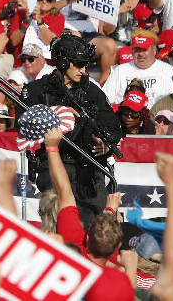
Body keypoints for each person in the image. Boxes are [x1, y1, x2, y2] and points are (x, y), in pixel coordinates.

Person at [19, 32, 123, 222]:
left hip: (88, 168)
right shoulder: (37, 89)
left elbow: (113, 126)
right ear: (63, 62)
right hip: (52, 166)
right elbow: (24, 122)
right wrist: (57, 112)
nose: (83, 69)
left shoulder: (92, 91)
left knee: (94, 225)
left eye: (86, 64)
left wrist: (105, 143)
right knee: (59, 224)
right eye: (78, 63)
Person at [45, 127, 136, 301]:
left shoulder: (72, 242)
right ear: (116, 248)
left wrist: (52, 148)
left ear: (87, 238)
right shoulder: (114, 281)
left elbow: (64, 192)